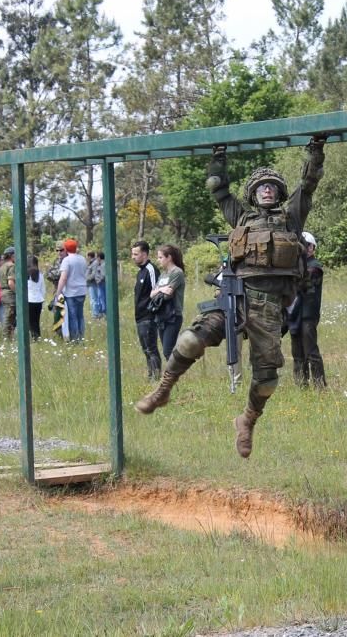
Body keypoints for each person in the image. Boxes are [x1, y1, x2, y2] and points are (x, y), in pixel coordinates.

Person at [135, 136, 326, 459]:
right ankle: (163, 389)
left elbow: (308, 184)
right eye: (261, 187)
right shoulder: (240, 217)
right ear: (252, 193)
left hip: (268, 307)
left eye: (272, 186)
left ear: (279, 193)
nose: (267, 190)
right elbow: (217, 187)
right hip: (233, 298)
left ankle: (248, 420)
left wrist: (316, 149)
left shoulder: (291, 217)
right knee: (189, 342)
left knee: (266, 379)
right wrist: (218, 156)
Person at [288, 231, 326, 388]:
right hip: (295, 314)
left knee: (310, 351)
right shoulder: (296, 266)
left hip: (308, 315)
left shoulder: (315, 267)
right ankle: (301, 385)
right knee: (297, 352)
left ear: (311, 248)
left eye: (305, 245)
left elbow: (302, 281)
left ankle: (319, 385)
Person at [131, 240, 162, 381]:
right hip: (140, 317)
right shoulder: (140, 272)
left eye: (136, 254)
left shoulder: (151, 270)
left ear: (144, 254)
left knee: (151, 348)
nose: (133, 257)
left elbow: (157, 292)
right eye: (132, 254)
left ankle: (156, 377)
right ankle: (151, 375)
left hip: (149, 317)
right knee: (145, 349)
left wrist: (153, 312)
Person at [151, 244, 186, 359]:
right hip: (161, 315)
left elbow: (167, 295)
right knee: (167, 351)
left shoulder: (177, 273)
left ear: (169, 257)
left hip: (173, 316)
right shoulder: (163, 275)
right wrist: (161, 289)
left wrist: (159, 292)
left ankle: (174, 374)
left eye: (160, 257)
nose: (158, 260)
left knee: (168, 350)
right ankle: (174, 373)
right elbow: (151, 294)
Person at [55, 239, 88, 341]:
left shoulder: (67, 260)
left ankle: (75, 339)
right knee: (80, 316)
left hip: (71, 292)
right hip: (82, 291)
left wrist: (58, 292)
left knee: (72, 316)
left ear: (65, 249)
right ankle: (81, 337)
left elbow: (63, 278)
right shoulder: (82, 259)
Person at [0, 246, 17, 342]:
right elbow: (11, 282)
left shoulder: (2, 266)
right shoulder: (12, 266)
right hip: (10, 294)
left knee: (8, 315)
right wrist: (18, 293)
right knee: (9, 317)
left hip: (3, 293)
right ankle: (7, 338)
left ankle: (8, 337)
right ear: (11, 255)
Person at [27, 256, 46, 340]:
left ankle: (32, 336)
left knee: (30, 321)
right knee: (36, 320)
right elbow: (43, 289)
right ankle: (37, 337)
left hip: (29, 300)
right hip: (38, 300)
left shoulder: (26, 275)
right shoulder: (40, 275)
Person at [92, 251, 107, 319]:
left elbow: (103, 275)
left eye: (97, 257)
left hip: (102, 284)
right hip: (101, 283)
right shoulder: (101, 264)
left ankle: (104, 312)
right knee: (100, 297)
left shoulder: (103, 265)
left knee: (102, 298)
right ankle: (102, 312)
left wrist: (99, 280)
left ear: (99, 257)